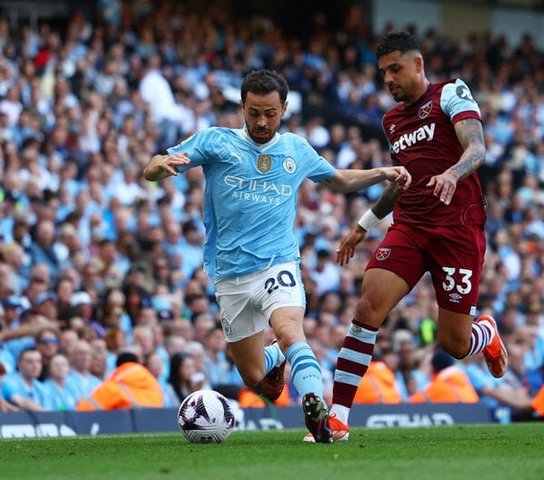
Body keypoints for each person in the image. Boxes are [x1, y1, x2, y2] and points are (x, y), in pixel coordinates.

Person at [143, 68, 410, 443]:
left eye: (270, 113)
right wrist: (157, 167)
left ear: (284, 108)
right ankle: (278, 357)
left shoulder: (295, 149)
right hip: (230, 274)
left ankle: (316, 407)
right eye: (254, 113)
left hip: (278, 264)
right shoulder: (216, 141)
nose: (261, 122)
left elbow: (338, 180)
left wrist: (381, 172)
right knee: (254, 375)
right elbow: (156, 166)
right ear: (242, 106)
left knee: (289, 330)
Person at [320, 31, 508, 442]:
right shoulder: (391, 121)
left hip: (458, 229)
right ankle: (337, 418)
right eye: (383, 72)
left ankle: (486, 334)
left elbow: (477, 149)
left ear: (418, 64)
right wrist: (362, 225)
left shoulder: (450, 94)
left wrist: (452, 173)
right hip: (410, 227)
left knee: (454, 344)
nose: (388, 79)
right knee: (368, 307)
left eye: (395, 69)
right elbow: (400, 183)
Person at [76, 350, 164, 411]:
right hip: (156, 423)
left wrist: (81, 404)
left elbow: (86, 409)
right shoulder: (152, 381)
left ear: (118, 366)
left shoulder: (116, 382)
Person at [408, 350, 479, 404]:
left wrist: (413, 393)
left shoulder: (437, 387)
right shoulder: (466, 385)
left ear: (433, 368)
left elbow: (411, 403)